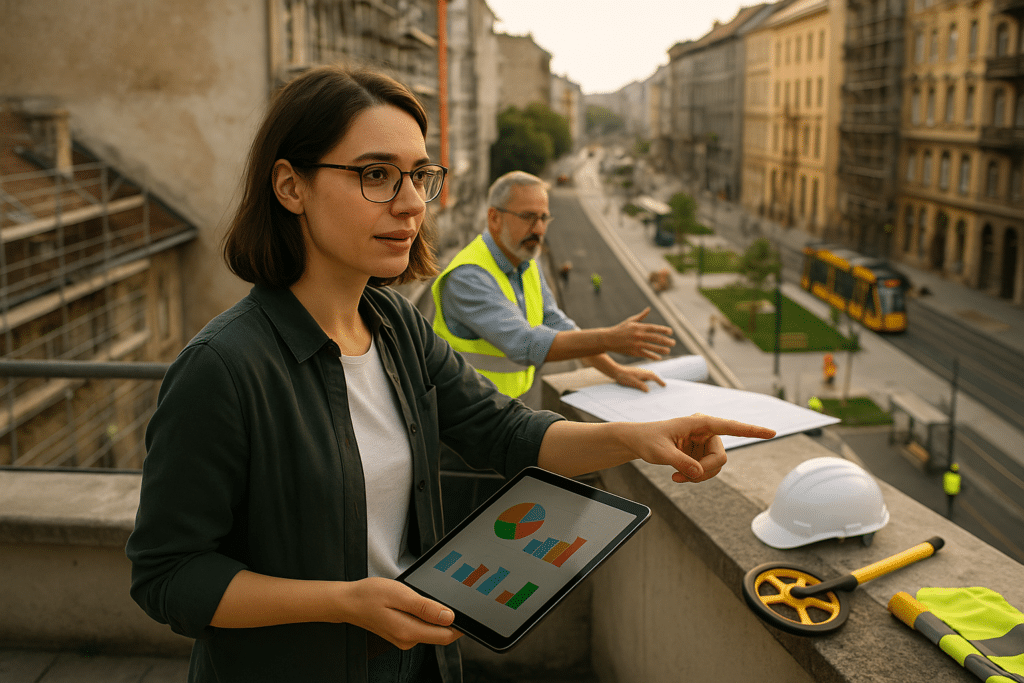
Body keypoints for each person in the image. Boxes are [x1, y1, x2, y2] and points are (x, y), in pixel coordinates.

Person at [125, 65, 776, 683]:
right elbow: (168, 576)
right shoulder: (222, 369)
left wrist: (640, 437)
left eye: (418, 175)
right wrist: (345, 602)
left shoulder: (396, 325)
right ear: (290, 185)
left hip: (415, 661)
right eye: (376, 174)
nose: (411, 204)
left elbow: (507, 431)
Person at [431, 171, 675, 399]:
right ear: (494, 218)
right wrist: (608, 339)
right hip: (463, 419)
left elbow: (558, 324)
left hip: (501, 408)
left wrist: (617, 371)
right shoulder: (469, 277)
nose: (538, 229)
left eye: (543, 218)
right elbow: (525, 343)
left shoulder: (525, 262)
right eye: (527, 217)